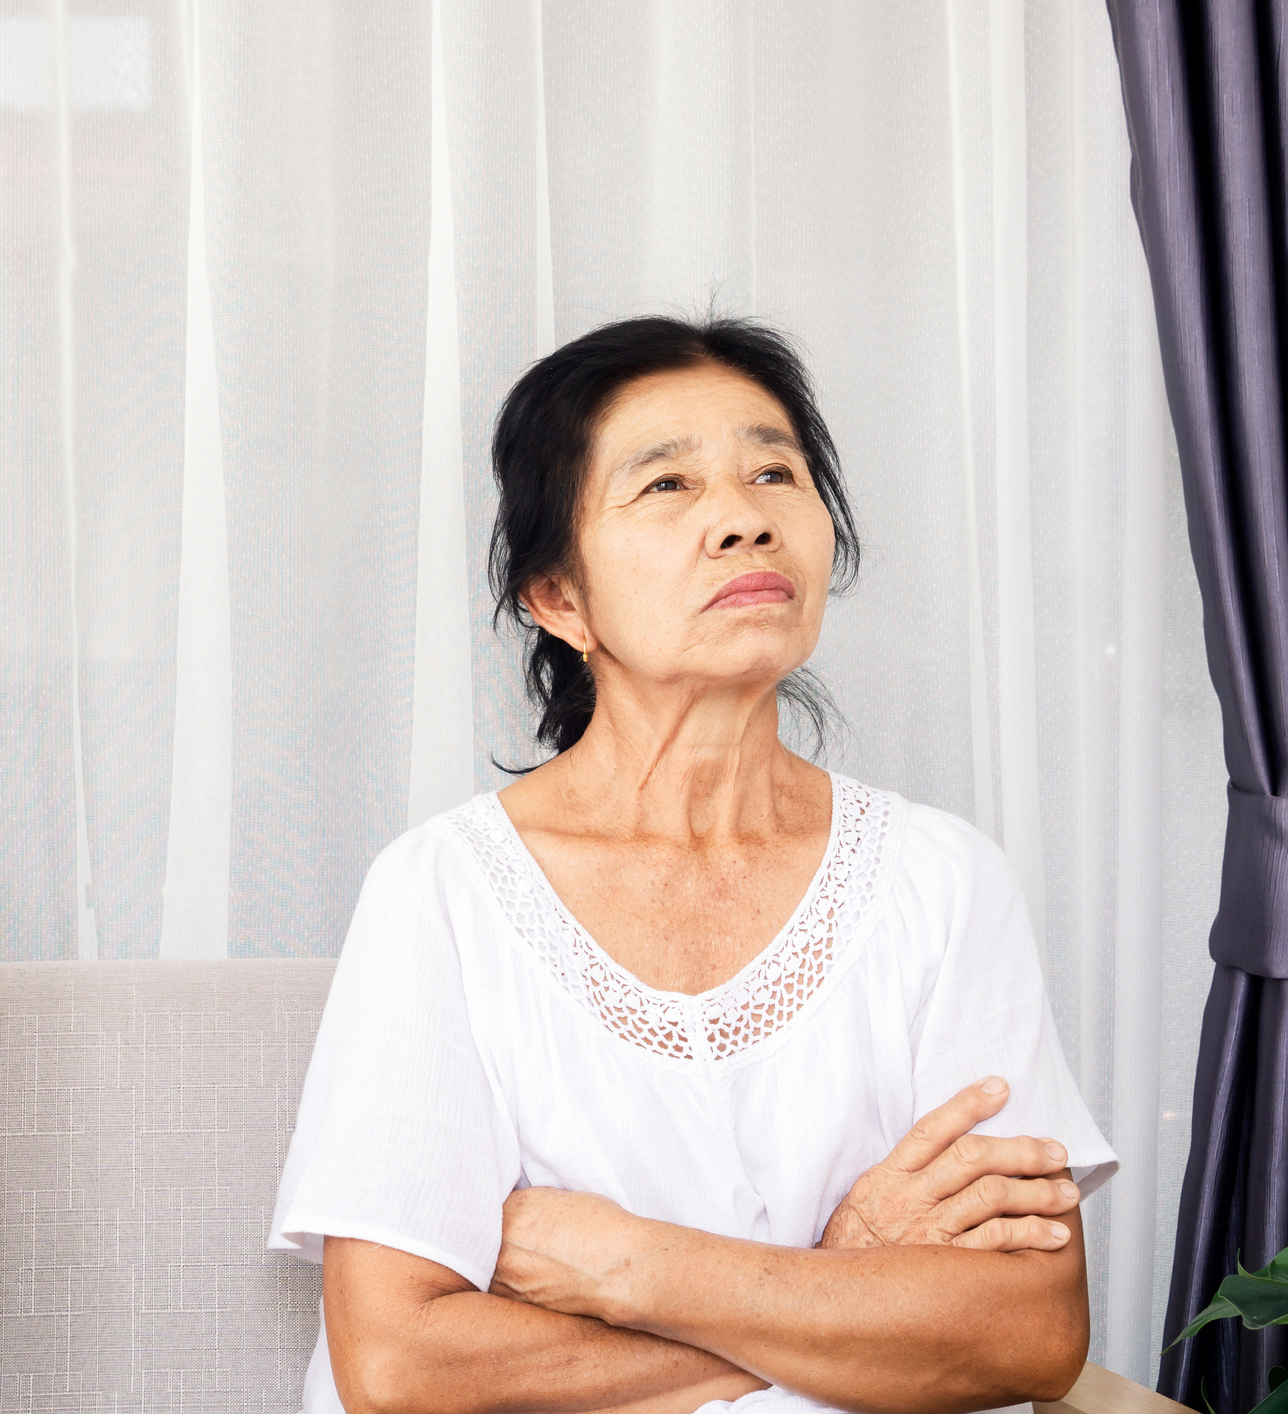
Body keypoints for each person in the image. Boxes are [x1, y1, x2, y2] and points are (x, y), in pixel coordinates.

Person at [269, 315, 1116, 1414]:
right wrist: (848, 1282)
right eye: (666, 487)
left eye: (776, 473)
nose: (742, 520)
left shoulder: (943, 883)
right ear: (557, 598)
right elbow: (400, 1362)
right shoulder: (443, 891)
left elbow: (1028, 1331)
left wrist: (633, 1266)